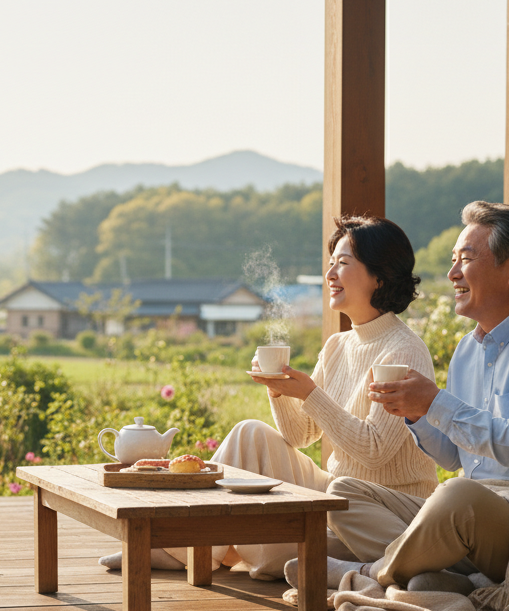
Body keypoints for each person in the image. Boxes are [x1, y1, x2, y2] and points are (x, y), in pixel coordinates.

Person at [311, 200, 509, 597]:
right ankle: (454, 577)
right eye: (452, 259)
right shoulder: (468, 349)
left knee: (456, 494)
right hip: (479, 515)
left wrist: (437, 402)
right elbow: (456, 457)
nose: (451, 273)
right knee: (344, 493)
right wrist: (418, 413)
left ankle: (373, 573)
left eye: (465, 259)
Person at [100, 214, 439, 579]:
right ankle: (185, 546)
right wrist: (279, 390)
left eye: (343, 264)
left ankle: (192, 549)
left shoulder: (403, 351)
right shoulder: (339, 345)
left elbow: (374, 452)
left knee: (291, 542)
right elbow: (301, 435)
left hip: (380, 512)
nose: (330, 275)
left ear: (380, 275)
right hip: (336, 492)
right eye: (330, 265)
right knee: (250, 432)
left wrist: (309, 392)